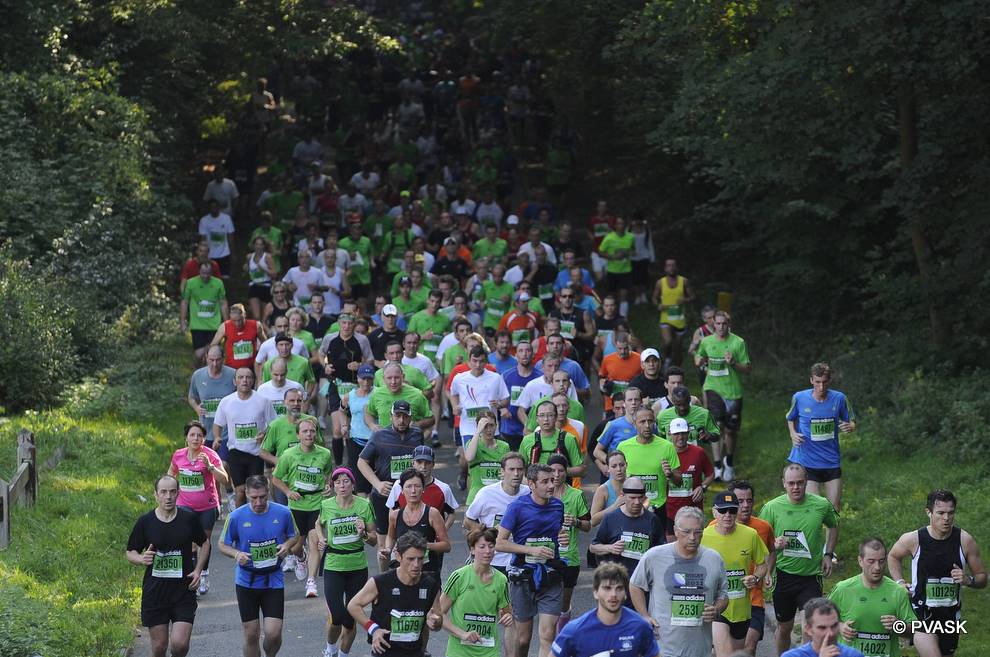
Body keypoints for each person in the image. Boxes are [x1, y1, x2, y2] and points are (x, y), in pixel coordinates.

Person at [888, 489, 986, 657]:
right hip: (921, 614)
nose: (946, 518)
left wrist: (968, 580)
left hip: (949, 617)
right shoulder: (914, 539)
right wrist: (899, 582)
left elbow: (982, 578)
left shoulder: (965, 540)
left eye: (950, 513)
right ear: (929, 512)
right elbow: (893, 556)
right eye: (940, 513)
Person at [759, 464, 839, 656]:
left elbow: (834, 525)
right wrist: (773, 546)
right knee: (784, 628)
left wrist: (828, 553)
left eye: (800, 483)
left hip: (811, 577)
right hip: (784, 576)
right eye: (791, 483)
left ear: (806, 482)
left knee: (807, 629)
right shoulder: (772, 508)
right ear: (784, 484)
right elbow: (759, 540)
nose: (796, 487)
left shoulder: (821, 504)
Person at [126, 475, 209, 657]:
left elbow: (205, 543)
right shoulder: (145, 522)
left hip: (183, 590)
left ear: (178, 493)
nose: (168, 496)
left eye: (172, 492)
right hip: (155, 592)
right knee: (159, 647)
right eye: (163, 492)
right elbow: (130, 551)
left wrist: (198, 570)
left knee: (179, 645)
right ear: (156, 495)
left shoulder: (188, 518)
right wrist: (141, 559)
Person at [629, 506, 729, 657]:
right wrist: (644, 616)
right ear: (675, 531)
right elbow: (635, 584)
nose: (692, 537)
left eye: (697, 532)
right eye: (686, 532)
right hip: (663, 647)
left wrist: (716, 610)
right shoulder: (655, 556)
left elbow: (723, 595)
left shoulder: (714, 559)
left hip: (700, 648)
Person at [218, 475, 298, 657]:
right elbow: (222, 545)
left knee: (274, 633)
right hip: (246, 580)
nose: (259, 502)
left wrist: (287, 546)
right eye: (254, 497)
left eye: (262, 496)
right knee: (251, 633)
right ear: (246, 494)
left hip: (273, 579)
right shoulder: (236, 517)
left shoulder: (284, 513)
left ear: (268, 492)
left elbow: (294, 535)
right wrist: (237, 554)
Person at [495, 463, 566, 657]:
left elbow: (555, 534)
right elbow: (499, 543)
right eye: (545, 481)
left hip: (551, 576)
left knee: (548, 635)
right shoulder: (517, 507)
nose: (551, 485)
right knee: (523, 639)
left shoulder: (558, 506)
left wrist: (562, 537)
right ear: (532, 484)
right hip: (523, 577)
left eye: (552, 480)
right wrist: (530, 549)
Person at [315, 467, 378, 657]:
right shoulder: (326, 505)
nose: (342, 485)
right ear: (333, 486)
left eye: (346, 481)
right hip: (334, 565)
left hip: (357, 567)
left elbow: (374, 539)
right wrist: (320, 538)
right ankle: (330, 648)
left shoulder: (363, 505)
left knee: (350, 621)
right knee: (336, 615)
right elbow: (318, 523)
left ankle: (342, 654)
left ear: (352, 484)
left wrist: (363, 534)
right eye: (337, 482)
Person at [347, 532, 442, 657]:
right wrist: (373, 629)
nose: (416, 565)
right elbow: (353, 605)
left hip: (415, 652)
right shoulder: (381, 582)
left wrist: (435, 622)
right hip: (385, 652)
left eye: (420, 559)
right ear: (398, 556)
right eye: (410, 559)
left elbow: (437, 620)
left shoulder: (430, 585)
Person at [357, 400, 426, 572]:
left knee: (410, 537)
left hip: (409, 494)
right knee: (384, 542)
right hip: (384, 494)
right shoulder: (380, 436)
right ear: (391, 416)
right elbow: (361, 461)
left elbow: (422, 462)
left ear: (410, 417)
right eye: (397, 416)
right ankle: (384, 580)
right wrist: (377, 484)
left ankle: (408, 575)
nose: (401, 420)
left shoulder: (417, 435)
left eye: (405, 416)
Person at [701, 491, 770, 657]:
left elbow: (762, 564)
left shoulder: (750, 535)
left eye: (732, 510)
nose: (728, 515)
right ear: (714, 511)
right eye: (723, 511)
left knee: (737, 654)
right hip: (717, 607)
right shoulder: (703, 536)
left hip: (741, 609)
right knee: (725, 654)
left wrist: (755, 577)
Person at [272, 417, 333, 598]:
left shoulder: (324, 453)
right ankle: (300, 557)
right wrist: (288, 491)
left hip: (316, 503)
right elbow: (275, 478)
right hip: (296, 504)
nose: (309, 434)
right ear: (298, 435)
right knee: (294, 546)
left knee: (315, 541)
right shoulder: (289, 455)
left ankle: (311, 581)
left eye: (312, 431)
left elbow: (328, 471)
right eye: (305, 431)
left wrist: (328, 485)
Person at [786, 362, 857, 513]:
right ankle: (813, 537)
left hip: (831, 460)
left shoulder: (840, 398)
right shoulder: (799, 398)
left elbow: (851, 421)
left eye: (824, 382)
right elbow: (790, 418)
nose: (821, 387)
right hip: (807, 460)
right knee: (815, 508)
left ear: (829, 381)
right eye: (817, 382)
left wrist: (850, 427)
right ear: (811, 380)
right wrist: (792, 433)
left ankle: (832, 538)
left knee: (834, 509)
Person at [168, 421, 229, 596]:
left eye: (199, 435)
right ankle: (192, 578)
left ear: (203, 439)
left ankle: (204, 573)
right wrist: (166, 491)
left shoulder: (210, 455)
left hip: (207, 507)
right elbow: (171, 473)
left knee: (203, 542)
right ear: (186, 438)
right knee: (188, 542)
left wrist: (210, 466)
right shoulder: (179, 455)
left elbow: (225, 479)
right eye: (192, 435)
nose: (196, 438)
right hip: (184, 505)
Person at [828, 537, 917, 657]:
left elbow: (915, 629)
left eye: (881, 561)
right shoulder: (843, 589)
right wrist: (840, 626)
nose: (877, 567)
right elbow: (821, 620)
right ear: (860, 561)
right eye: (871, 561)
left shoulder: (898, 592)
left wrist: (899, 626)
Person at [432, 528, 514, 657]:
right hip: (460, 652)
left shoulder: (501, 580)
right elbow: (439, 613)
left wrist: (508, 617)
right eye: (482, 547)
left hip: (489, 651)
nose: (487, 551)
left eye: (491, 546)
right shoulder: (459, 576)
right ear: (472, 550)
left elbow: (506, 613)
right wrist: (462, 634)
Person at [551, 562, 659, 657]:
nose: (613, 594)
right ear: (595, 592)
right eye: (607, 588)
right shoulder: (574, 630)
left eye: (619, 588)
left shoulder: (640, 627)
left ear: (625, 593)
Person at [694, 311, 752, 481]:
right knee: (716, 426)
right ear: (714, 324)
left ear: (729, 325)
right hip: (713, 388)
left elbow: (748, 369)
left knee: (731, 430)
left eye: (724, 324)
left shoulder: (738, 342)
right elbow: (699, 355)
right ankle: (718, 465)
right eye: (717, 324)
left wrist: (734, 363)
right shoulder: (706, 341)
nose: (720, 327)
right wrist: (698, 360)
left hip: (733, 392)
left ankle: (730, 461)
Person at [212, 368, 277, 508]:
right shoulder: (226, 401)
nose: (245, 380)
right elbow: (217, 424)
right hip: (236, 451)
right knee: (240, 491)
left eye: (248, 377)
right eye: (241, 377)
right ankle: (238, 519)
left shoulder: (263, 401)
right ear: (235, 381)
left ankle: (258, 517)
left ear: (253, 380)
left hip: (256, 453)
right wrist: (217, 437)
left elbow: (274, 425)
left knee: (256, 491)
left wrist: (265, 435)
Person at [187, 345, 236, 509]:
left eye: (218, 360)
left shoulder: (232, 374)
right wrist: (196, 408)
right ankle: (217, 502)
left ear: (223, 359)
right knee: (208, 469)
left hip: (226, 431)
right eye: (211, 360)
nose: (214, 364)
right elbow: (191, 397)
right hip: (205, 431)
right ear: (206, 358)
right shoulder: (198, 375)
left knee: (222, 463)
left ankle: (229, 492)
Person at [590, 476, 664, 585]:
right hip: (616, 582)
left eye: (640, 497)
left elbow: (661, 550)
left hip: (642, 583)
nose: (637, 502)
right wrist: (610, 548)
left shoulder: (652, 520)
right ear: (623, 496)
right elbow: (593, 547)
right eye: (632, 498)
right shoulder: (610, 518)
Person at [617, 408, 682, 529]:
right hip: (631, 507)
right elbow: (617, 477)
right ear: (634, 424)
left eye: (650, 421)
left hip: (657, 508)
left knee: (657, 546)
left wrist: (670, 475)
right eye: (642, 422)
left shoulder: (666, 446)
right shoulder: (624, 446)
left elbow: (679, 481)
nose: (647, 425)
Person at [547, 454, 591, 632]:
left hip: (569, 558)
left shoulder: (576, 495)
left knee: (564, 603)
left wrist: (576, 522)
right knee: (549, 603)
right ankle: (551, 639)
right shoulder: (541, 495)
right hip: (546, 556)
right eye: (553, 471)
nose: (556, 475)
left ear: (567, 473)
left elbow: (588, 526)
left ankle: (561, 636)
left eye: (561, 471)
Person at [384, 468, 451, 583]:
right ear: (402, 490)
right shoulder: (395, 515)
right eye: (409, 486)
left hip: (427, 571)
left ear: (423, 489)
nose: (413, 491)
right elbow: (391, 537)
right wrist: (387, 549)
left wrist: (424, 545)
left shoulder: (432, 513)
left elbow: (446, 546)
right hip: (402, 572)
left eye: (417, 486)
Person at [665, 417, 715, 539]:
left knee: (694, 544)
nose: (680, 437)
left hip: (694, 510)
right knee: (671, 547)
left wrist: (702, 487)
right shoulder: (664, 453)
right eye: (676, 434)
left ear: (688, 433)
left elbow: (711, 473)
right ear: (670, 434)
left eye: (683, 433)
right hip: (670, 511)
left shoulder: (698, 452)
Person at [519, 401, 584, 480]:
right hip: (535, 488)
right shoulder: (527, 440)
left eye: (550, 415)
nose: (546, 419)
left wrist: (558, 471)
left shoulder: (569, 439)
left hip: (561, 487)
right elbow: (519, 467)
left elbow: (580, 470)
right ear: (537, 419)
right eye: (542, 415)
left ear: (556, 417)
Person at [180, 260, 229, 366]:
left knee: (212, 353)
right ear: (199, 271)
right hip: (197, 324)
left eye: (208, 273)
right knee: (199, 354)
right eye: (203, 273)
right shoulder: (191, 283)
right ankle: (197, 370)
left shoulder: (218, 283)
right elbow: (184, 302)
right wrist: (183, 321)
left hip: (214, 324)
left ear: (211, 272)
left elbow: (223, 303)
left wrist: (227, 322)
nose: (205, 276)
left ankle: (209, 376)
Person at [780, 598, 865, 657]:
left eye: (834, 626)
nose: (830, 633)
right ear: (808, 629)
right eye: (822, 628)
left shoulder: (854, 655)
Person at [651, 258, 695, 368]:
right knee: (668, 342)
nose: (671, 267)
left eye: (673, 265)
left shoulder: (684, 281)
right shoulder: (660, 283)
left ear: (677, 267)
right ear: (665, 268)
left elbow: (693, 296)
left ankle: (678, 370)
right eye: (668, 265)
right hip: (665, 318)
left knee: (679, 348)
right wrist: (658, 305)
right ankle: (667, 359)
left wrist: (685, 300)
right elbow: (654, 298)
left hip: (679, 318)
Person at [591, 386, 643, 476]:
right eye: (630, 400)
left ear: (641, 402)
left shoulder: (649, 425)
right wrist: (612, 462)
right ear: (624, 403)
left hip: (642, 472)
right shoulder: (613, 425)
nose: (633, 403)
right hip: (619, 475)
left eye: (636, 400)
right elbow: (597, 451)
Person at [500, 341, 541, 451]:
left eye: (528, 350)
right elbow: (496, 398)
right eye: (521, 351)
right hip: (510, 429)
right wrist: (502, 408)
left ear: (533, 354)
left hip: (534, 429)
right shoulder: (506, 376)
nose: (524, 354)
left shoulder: (540, 377)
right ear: (516, 355)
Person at [464, 411, 511, 505]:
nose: (489, 429)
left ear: (496, 426)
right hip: (476, 498)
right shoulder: (472, 444)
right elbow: (469, 457)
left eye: (492, 425)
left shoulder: (504, 446)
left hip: (498, 497)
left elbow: (509, 471)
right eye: (485, 426)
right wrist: (477, 432)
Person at [657, 385, 720, 450]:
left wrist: (709, 435)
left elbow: (717, 435)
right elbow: (661, 439)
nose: (682, 408)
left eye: (685, 404)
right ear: (673, 401)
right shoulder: (662, 417)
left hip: (696, 456)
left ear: (689, 399)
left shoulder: (704, 414)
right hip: (673, 457)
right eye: (678, 405)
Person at [212, 303, 265, 370]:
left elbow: (265, 343)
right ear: (230, 317)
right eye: (234, 320)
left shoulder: (256, 326)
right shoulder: (225, 327)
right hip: (231, 368)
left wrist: (261, 360)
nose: (237, 323)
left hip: (251, 367)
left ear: (244, 315)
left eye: (240, 320)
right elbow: (213, 345)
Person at [597, 333, 642, 415]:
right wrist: (602, 385)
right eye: (619, 348)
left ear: (630, 345)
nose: (622, 351)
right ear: (615, 346)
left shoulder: (639, 359)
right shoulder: (607, 359)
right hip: (612, 405)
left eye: (625, 348)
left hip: (632, 405)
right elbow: (601, 377)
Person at [598, 216, 634, 317]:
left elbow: (633, 250)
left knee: (623, 296)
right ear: (615, 225)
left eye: (622, 223)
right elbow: (600, 252)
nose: (620, 226)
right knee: (611, 296)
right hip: (612, 271)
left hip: (626, 270)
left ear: (625, 225)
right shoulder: (609, 237)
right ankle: (611, 315)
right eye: (618, 223)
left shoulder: (631, 237)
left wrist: (628, 253)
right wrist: (612, 257)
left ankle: (623, 318)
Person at [589, 450, 628, 527]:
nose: (619, 469)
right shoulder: (603, 490)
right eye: (614, 466)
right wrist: (615, 506)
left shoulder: (633, 484)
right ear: (608, 468)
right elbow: (593, 521)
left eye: (622, 465)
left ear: (627, 465)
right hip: (610, 535)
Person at [198, 199, 236, 276]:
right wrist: (203, 255)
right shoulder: (204, 220)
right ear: (209, 208)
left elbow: (230, 237)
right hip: (210, 255)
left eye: (215, 207)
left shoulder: (226, 218)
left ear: (219, 207)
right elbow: (203, 239)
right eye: (211, 207)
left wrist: (232, 253)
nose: (213, 209)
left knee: (225, 276)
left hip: (225, 253)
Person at [246, 236, 276, 320]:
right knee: (256, 316)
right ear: (254, 246)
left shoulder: (267, 257)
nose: (258, 246)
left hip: (266, 286)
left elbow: (274, 274)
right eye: (256, 244)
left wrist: (264, 269)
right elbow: (248, 269)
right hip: (254, 286)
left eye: (260, 244)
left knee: (265, 316)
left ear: (264, 246)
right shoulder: (249, 257)